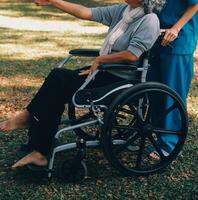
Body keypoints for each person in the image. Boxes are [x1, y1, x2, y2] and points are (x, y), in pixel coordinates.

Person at [0, 0, 165, 169]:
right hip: (104, 71)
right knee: (57, 83)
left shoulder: (149, 20)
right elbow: (86, 12)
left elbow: (132, 55)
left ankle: (33, 128)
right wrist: (53, 2)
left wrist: (101, 59)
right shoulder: (124, 11)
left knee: (58, 79)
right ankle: (38, 146)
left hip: (120, 79)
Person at [147, 1, 198, 157]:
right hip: (157, 39)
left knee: (172, 96)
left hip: (178, 40)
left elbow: (195, 4)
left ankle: (170, 145)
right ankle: (158, 138)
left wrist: (176, 27)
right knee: (155, 93)